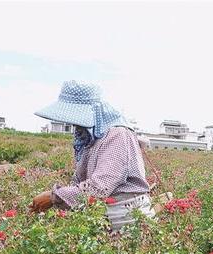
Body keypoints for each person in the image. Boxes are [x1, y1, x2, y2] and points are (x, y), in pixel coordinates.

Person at [29, 80, 155, 232]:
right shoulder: (92, 137)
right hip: (101, 217)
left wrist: (53, 197)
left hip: (126, 220)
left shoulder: (117, 135)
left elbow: (99, 188)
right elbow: (80, 180)